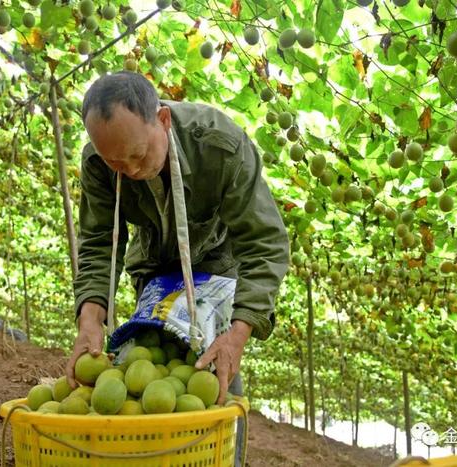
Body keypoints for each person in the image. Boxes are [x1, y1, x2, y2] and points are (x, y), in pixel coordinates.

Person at [65, 71, 289, 409]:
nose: (130, 170)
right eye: (116, 163)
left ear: (163, 120)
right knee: (148, 364)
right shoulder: (99, 163)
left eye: (138, 155)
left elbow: (264, 243)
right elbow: (100, 242)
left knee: (214, 374)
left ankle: (222, 452)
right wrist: (90, 321)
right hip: (153, 268)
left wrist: (237, 335)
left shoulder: (219, 146)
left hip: (214, 264)